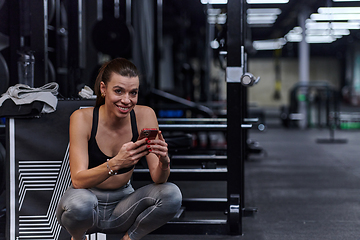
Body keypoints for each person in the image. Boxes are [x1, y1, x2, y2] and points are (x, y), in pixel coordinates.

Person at [56, 58, 182, 240]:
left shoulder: (145, 114)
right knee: (81, 203)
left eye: (133, 93)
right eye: (118, 91)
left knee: (172, 194)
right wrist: (115, 163)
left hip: (124, 206)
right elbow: (78, 181)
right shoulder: (82, 118)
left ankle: (129, 238)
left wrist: (164, 161)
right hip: (87, 205)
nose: (126, 100)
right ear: (103, 89)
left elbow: (158, 178)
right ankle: (78, 238)